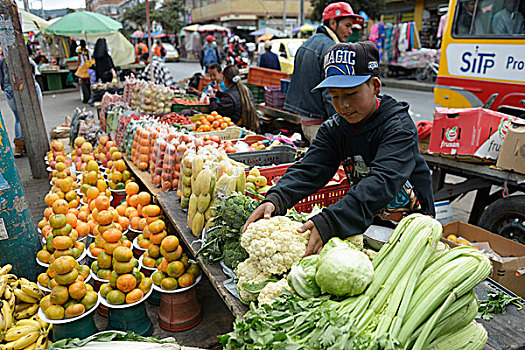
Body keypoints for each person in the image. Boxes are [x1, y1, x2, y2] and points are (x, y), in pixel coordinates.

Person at [244, 42, 435, 256]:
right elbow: (310, 169)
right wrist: (277, 198)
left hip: (412, 228)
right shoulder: (335, 129)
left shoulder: (397, 127)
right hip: (367, 223)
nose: (343, 105)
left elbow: (382, 181)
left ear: (375, 86)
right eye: (335, 96)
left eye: (351, 94)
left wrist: (331, 220)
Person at [283, 2, 364, 142]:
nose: (350, 31)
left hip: (306, 122)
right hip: (320, 124)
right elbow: (332, 94)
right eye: (347, 25)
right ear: (333, 23)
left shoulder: (307, 43)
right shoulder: (333, 49)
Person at [0, 54, 43, 157]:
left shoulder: (2, 61)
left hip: (10, 87)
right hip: (29, 84)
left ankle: (19, 147)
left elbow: (1, 78)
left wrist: (5, 87)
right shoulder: (23, 56)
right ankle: (38, 143)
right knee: (36, 114)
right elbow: (33, 68)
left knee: (19, 118)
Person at [209, 65, 259, 131]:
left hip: (237, 130)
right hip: (249, 127)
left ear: (225, 79)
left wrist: (212, 99)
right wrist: (219, 94)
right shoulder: (246, 89)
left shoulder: (229, 96)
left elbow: (216, 114)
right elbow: (236, 99)